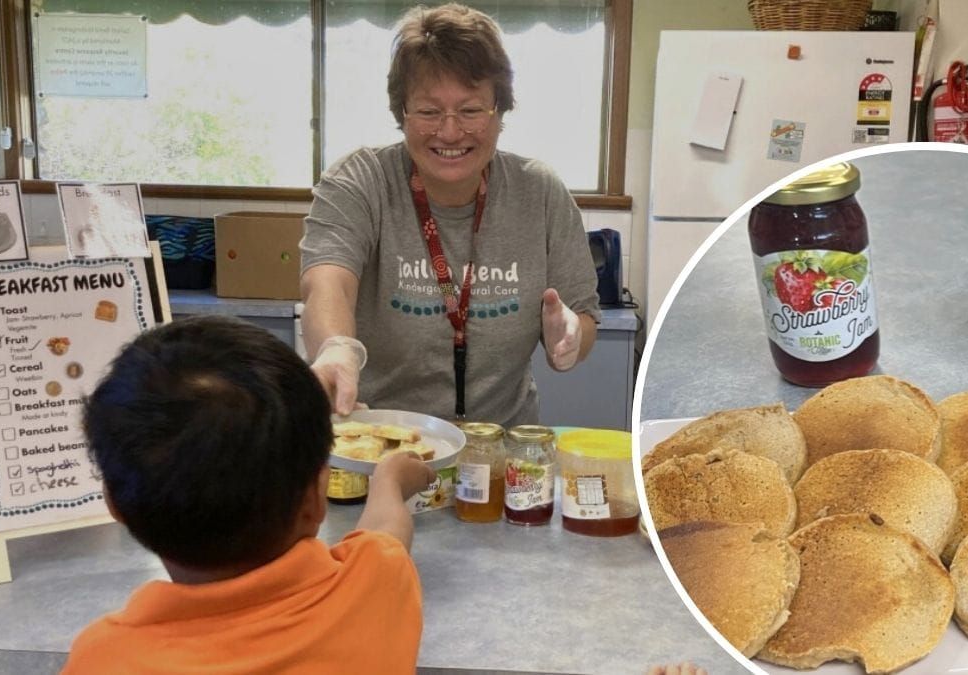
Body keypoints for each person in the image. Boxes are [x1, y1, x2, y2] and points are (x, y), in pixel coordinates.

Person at [63, 315, 437, 674]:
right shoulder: (376, 589)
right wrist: (388, 481)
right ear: (316, 497)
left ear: (114, 503)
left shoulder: (102, 659)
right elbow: (387, 532)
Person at [300, 2, 601, 427]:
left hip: (499, 451)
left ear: (500, 112)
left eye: (471, 110)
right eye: (428, 111)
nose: (450, 131)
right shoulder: (361, 180)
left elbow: (583, 313)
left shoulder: (540, 192)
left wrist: (570, 336)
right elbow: (327, 281)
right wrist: (336, 347)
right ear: (401, 114)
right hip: (381, 442)